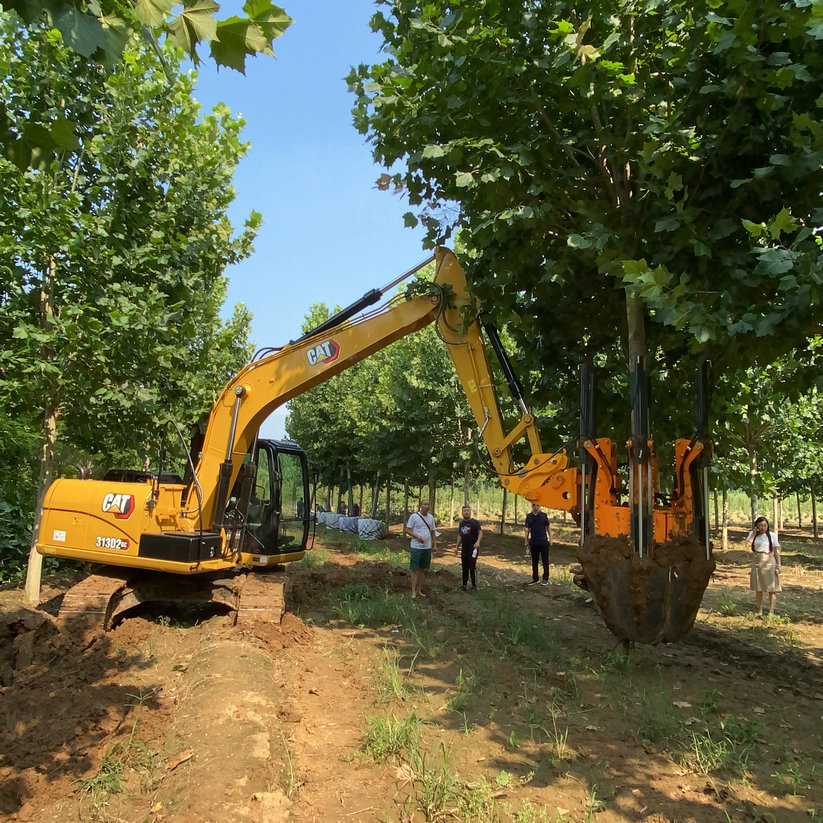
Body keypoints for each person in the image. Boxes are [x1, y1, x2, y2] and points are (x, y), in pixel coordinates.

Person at [745, 516, 782, 615]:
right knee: (758, 587)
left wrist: (778, 565)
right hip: (757, 561)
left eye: (765, 525)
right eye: (760, 525)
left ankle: (771, 611)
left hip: (769, 561)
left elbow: (776, 552)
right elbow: (747, 545)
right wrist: (753, 534)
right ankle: (759, 610)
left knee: (772, 588)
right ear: (756, 526)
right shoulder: (752, 534)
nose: (762, 528)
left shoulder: (772, 535)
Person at [405, 499, 437, 599]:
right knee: (414, 569)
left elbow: (433, 532)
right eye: (424, 504)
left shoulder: (431, 518)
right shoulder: (414, 517)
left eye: (428, 505)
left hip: (426, 547)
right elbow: (407, 530)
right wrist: (416, 536)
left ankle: (419, 590)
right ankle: (413, 591)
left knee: (422, 569)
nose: (426, 506)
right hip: (416, 547)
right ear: (420, 506)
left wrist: (434, 544)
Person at [454, 504, 482, 591]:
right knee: (464, 567)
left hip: (473, 549)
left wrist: (478, 542)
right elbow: (460, 535)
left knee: (472, 566)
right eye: (464, 511)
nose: (466, 512)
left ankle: (474, 585)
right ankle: (464, 585)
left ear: (470, 512)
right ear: (462, 512)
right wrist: (456, 547)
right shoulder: (462, 523)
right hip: (464, 549)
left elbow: (480, 533)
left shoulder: (475, 523)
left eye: (468, 511)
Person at [524, 502, 552, 586]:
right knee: (534, 561)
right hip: (534, 542)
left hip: (543, 542)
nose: (535, 507)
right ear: (531, 506)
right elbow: (527, 529)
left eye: (537, 505)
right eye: (534, 505)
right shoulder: (529, 517)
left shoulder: (544, 516)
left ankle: (545, 578)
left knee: (545, 561)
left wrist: (551, 538)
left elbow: (548, 527)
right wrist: (526, 539)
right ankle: (535, 578)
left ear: (540, 506)